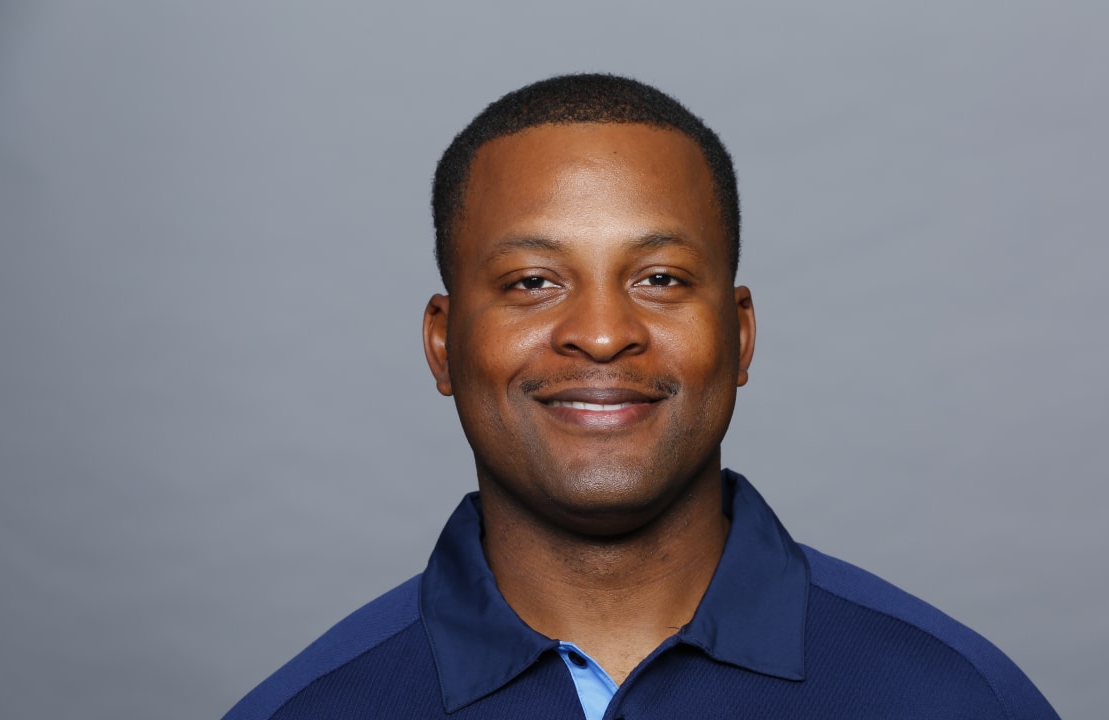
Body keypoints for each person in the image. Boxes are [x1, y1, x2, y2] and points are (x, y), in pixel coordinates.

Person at [223, 73, 1060, 720]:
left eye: (659, 279)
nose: (600, 333)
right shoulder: (303, 710)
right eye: (532, 282)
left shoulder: (956, 698)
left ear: (740, 334)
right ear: (443, 344)